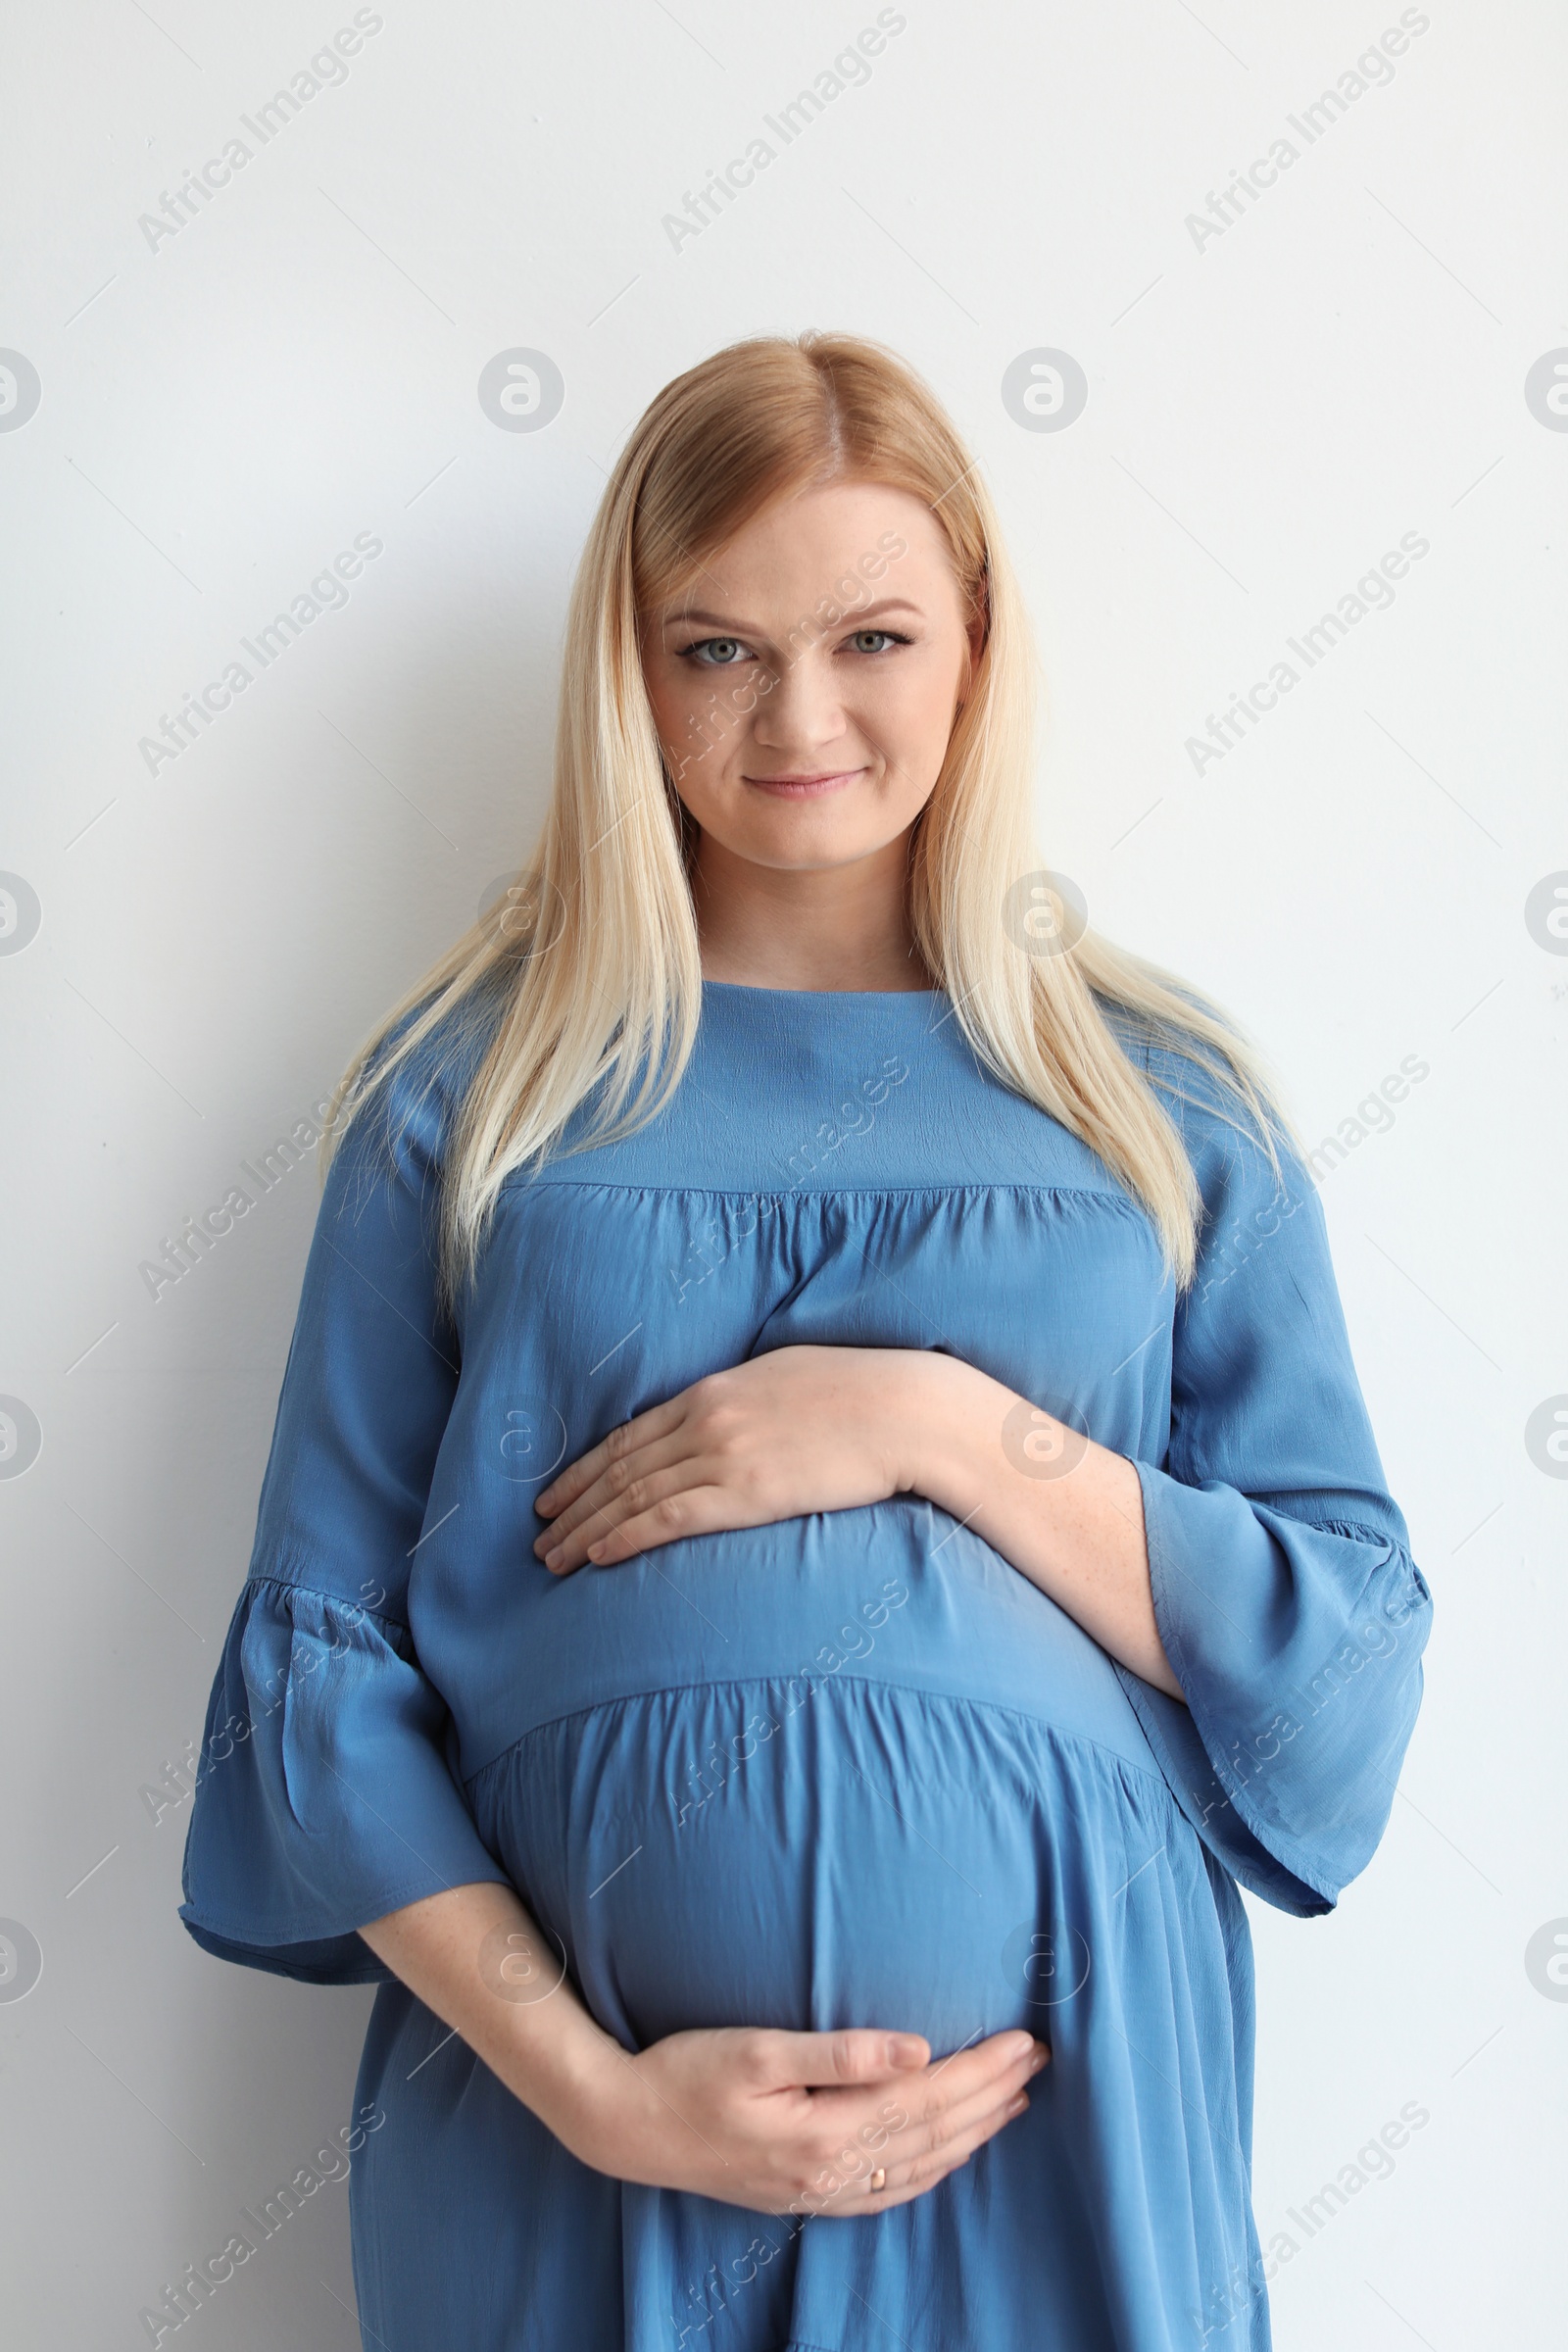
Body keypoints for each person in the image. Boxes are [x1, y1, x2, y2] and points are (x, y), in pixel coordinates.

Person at [179, 330, 1432, 2352]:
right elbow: (309, 1676)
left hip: (1060, 2141)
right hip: (569, 2159)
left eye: (868, 635)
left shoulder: (1160, 1111)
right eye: (715, 650)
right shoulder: (473, 1099)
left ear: (974, 642)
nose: (800, 719)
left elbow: (1345, 1656)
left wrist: (932, 1425)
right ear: (627, 666)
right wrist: (602, 2095)